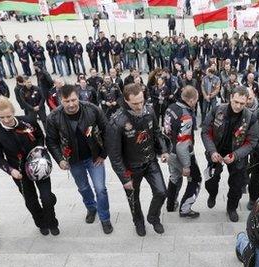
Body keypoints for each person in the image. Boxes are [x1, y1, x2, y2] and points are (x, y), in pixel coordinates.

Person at [0, 96, 59, 236]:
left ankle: (52, 222)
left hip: (38, 166)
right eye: (2, 117)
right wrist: (10, 170)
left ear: (13, 112)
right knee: (31, 201)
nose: (6, 120)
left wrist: (38, 150)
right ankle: (41, 223)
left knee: (47, 197)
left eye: (9, 116)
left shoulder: (28, 121)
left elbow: (40, 136)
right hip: (18, 171)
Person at [105, 83, 170, 237]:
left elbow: (157, 132)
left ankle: (153, 216)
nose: (140, 105)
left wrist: (164, 150)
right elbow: (114, 155)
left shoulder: (149, 110)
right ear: (126, 101)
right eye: (135, 103)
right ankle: (138, 222)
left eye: (141, 101)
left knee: (161, 192)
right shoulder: (117, 121)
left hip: (150, 161)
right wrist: (124, 177)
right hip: (131, 167)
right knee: (134, 198)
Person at [46, 85, 113, 233]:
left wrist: (103, 154)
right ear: (60, 100)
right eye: (66, 101)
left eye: (73, 100)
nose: (71, 104)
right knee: (83, 188)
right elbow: (51, 141)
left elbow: (107, 131)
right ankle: (91, 207)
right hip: (74, 161)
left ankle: (105, 218)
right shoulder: (53, 117)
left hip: (94, 158)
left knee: (100, 189)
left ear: (78, 97)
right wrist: (60, 159)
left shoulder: (92, 109)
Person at [202, 86, 259, 222]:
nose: (238, 106)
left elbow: (252, 142)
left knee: (237, 185)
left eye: (242, 103)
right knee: (211, 180)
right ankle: (213, 194)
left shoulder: (251, 118)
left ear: (246, 103)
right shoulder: (217, 110)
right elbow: (205, 131)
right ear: (230, 98)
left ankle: (231, 208)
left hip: (237, 154)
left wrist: (236, 155)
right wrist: (212, 151)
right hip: (216, 150)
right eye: (236, 102)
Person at [164, 86, 202, 218]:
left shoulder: (171, 107)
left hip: (169, 151)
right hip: (181, 153)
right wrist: (186, 165)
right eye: (196, 100)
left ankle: (170, 205)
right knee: (196, 179)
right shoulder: (186, 116)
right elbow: (182, 144)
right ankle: (185, 209)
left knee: (174, 177)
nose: (197, 102)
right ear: (191, 100)